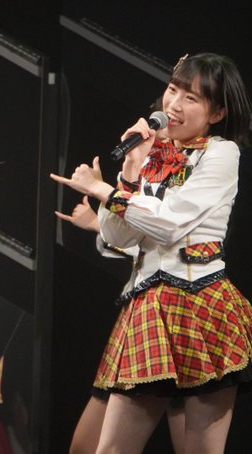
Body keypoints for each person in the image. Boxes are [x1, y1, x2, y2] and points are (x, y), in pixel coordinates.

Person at [51, 53, 252, 453]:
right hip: (148, 305)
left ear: (217, 113)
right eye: (173, 89)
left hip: (199, 303)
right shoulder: (151, 155)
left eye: (191, 97)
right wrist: (129, 170)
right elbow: (117, 234)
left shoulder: (221, 153)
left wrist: (103, 190)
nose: (174, 103)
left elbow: (169, 223)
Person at [57, 196, 185, 454]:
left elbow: (175, 242)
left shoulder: (199, 178)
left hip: (177, 312)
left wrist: (100, 198)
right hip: (140, 312)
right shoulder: (151, 179)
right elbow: (138, 239)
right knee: (85, 448)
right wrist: (100, 220)